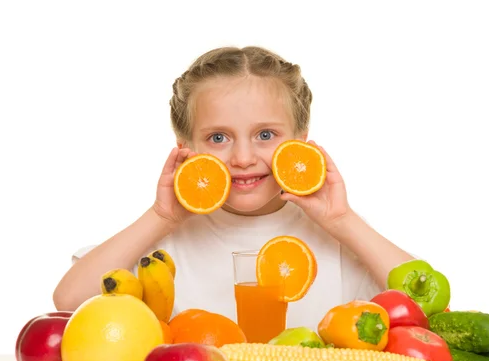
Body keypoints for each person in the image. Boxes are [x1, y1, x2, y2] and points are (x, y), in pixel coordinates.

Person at [53, 45, 415, 331]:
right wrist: (161, 216)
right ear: (186, 147)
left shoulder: (337, 236)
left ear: (300, 144)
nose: (242, 157)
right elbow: (69, 300)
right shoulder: (163, 243)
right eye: (218, 137)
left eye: (265, 135)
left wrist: (342, 220)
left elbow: (427, 303)